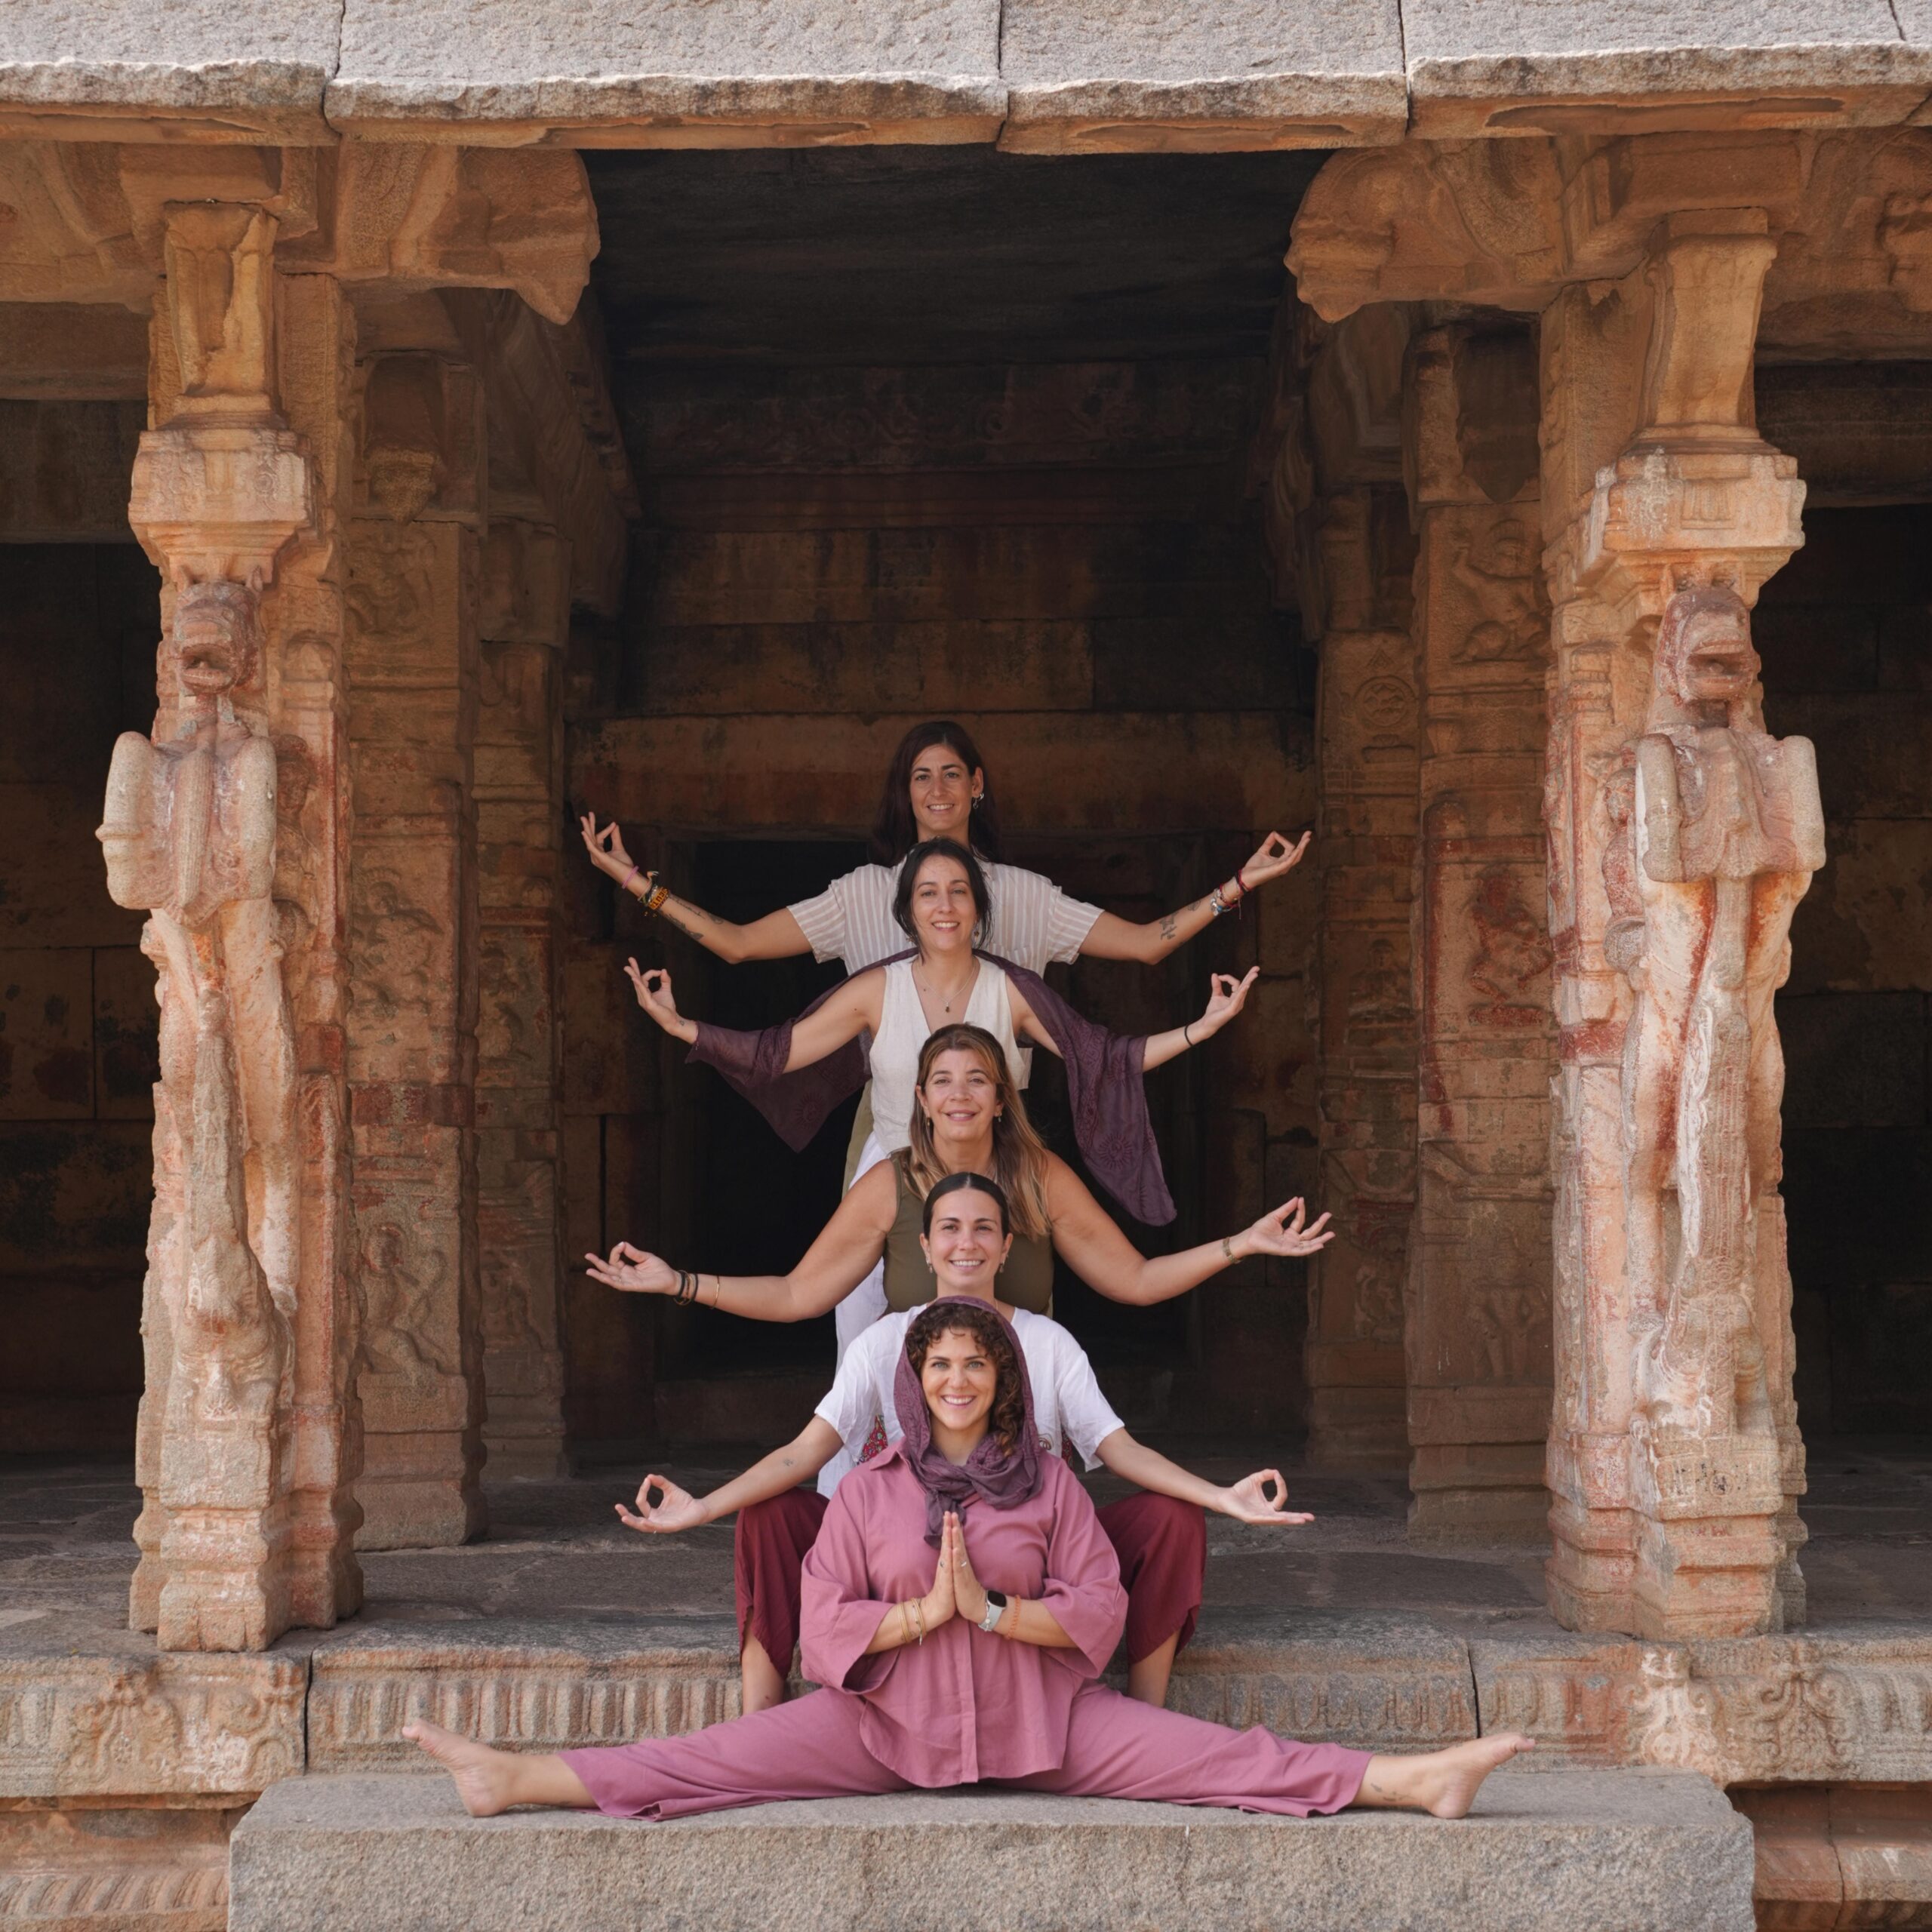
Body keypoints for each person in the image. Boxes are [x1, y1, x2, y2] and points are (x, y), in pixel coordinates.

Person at [405, 1297, 1533, 1822]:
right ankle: (514, 1778)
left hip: (1046, 1723)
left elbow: (1097, 1608)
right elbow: (824, 1611)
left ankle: (1409, 1779)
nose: (956, 1382)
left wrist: (990, 1612)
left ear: (1004, 1379)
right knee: (710, 1763)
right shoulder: (873, 1489)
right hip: (885, 1729)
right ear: (914, 1376)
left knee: (1221, 1760)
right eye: (939, 1364)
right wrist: (915, 1620)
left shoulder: (1047, 1482)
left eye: (976, 1365)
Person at [602, 1171, 1324, 1714]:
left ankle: (1139, 1715)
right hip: (901, 1558)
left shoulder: (1046, 1342)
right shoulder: (886, 1340)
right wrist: (702, 1509)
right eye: (950, 1227)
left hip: (1021, 1559)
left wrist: (1220, 1497)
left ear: (1008, 1244)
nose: (967, 1243)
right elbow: (805, 1452)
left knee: (1171, 1519)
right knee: (770, 1516)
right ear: (924, 1245)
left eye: (984, 1228)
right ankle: (759, 1721)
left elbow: (1120, 1448)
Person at [584, 1023, 1334, 1493]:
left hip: (1021, 1412)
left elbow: (1132, 1279)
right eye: (943, 1079)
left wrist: (1244, 1243)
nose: (961, 1093)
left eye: (978, 1077)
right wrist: (677, 1282)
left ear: (1002, 1096)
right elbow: (796, 1294)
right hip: (923, 1414)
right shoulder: (893, 1180)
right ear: (920, 1097)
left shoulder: (1039, 1176)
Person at [628, 839, 1254, 1353]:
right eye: (928, 892)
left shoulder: (1013, 995)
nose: (945, 905)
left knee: (1021, 1322)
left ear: (980, 910)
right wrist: (683, 1028)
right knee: (862, 1339)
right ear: (907, 912)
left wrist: (1202, 1028)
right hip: (899, 1170)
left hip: (995, 1169)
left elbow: (1106, 1056)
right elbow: (775, 1053)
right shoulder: (878, 989)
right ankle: (866, 1484)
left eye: (959, 891)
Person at [579, 716, 1310, 974]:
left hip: (1000, 1125)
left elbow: (1149, 943)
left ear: (977, 785)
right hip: (892, 1128)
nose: (936, 790)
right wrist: (638, 883)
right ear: (904, 792)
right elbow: (737, 944)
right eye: (920, 777)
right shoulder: (863, 894)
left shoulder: (1022, 895)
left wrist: (1238, 885)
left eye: (951, 774)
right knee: (864, 1316)